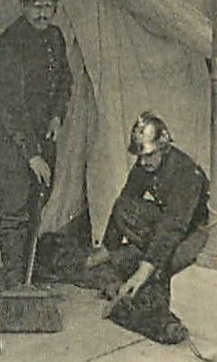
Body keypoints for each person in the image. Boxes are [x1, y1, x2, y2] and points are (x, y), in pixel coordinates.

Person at [86, 112, 209, 345]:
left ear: (164, 148)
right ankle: (150, 259)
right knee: (125, 207)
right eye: (140, 156)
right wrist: (108, 247)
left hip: (197, 231)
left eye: (149, 155)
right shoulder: (146, 164)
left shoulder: (185, 172)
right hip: (169, 223)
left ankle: (151, 264)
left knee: (167, 268)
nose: (143, 162)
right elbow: (126, 199)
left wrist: (143, 272)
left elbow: (173, 226)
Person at [0, 0, 72, 287]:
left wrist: (57, 117)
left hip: (43, 136)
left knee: (38, 203)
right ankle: (14, 281)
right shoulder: (7, 46)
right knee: (14, 211)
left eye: (48, 5)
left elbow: (65, 79)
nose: (42, 12)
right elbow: (10, 106)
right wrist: (32, 155)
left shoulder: (55, 37)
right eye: (35, 5)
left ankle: (29, 271)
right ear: (23, 7)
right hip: (13, 143)